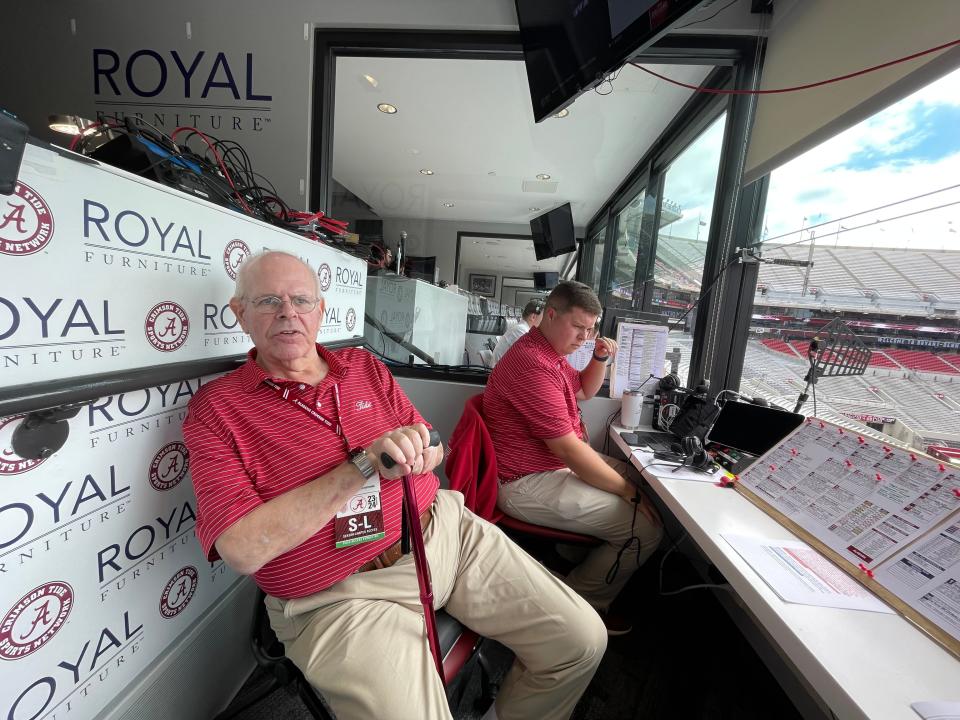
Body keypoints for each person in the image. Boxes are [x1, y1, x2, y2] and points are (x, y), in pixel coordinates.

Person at [182, 251, 606, 720]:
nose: (288, 313)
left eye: (301, 299)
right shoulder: (217, 410)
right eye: (268, 301)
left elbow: (436, 443)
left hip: (444, 532)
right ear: (239, 312)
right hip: (340, 596)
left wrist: (426, 451)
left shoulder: (364, 367)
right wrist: (361, 467)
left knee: (582, 641)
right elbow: (241, 549)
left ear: (320, 310)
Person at [483, 281, 663, 635]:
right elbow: (568, 450)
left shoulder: (546, 352)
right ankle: (582, 606)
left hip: (547, 467)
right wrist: (627, 491)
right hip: (524, 482)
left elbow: (583, 390)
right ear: (551, 315)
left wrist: (599, 358)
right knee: (645, 529)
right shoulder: (533, 364)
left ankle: (567, 558)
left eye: (591, 329)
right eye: (578, 327)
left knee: (636, 476)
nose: (585, 336)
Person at [492, 299, 543, 364]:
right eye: (543, 318)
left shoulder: (521, 328)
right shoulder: (521, 331)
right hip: (500, 371)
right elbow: (532, 359)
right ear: (533, 317)